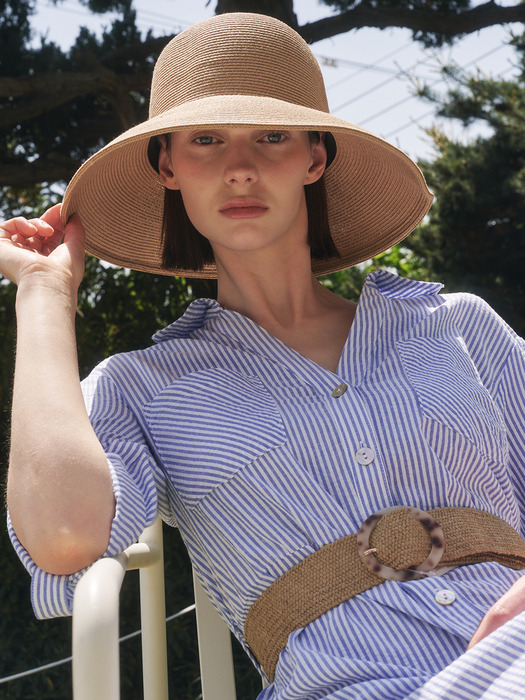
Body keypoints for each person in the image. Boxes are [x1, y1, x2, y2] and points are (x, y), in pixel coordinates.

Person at [3, 12, 525, 699]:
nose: (240, 169)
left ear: (315, 156)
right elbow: (65, 537)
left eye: (272, 137)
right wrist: (43, 295)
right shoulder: (140, 387)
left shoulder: (455, 325)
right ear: (168, 166)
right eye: (206, 141)